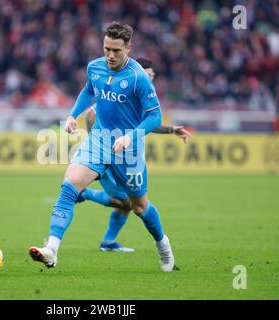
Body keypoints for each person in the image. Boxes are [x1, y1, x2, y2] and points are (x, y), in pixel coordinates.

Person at [29, 22, 177, 272]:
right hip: (98, 140)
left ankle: (163, 245)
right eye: (107, 48)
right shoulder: (95, 67)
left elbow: (155, 117)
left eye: (116, 51)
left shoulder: (139, 77)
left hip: (127, 150)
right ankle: (51, 249)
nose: (110, 55)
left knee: (139, 207)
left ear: (128, 48)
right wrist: (72, 115)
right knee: (69, 186)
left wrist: (131, 136)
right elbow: (89, 91)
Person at [77, 57, 191, 253]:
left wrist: (171, 130)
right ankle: (84, 194)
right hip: (110, 157)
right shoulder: (120, 94)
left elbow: (149, 123)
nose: (149, 79)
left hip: (129, 158)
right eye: (147, 75)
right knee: (128, 202)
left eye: (151, 76)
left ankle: (108, 242)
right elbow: (90, 114)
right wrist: (97, 148)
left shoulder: (142, 98)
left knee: (128, 203)